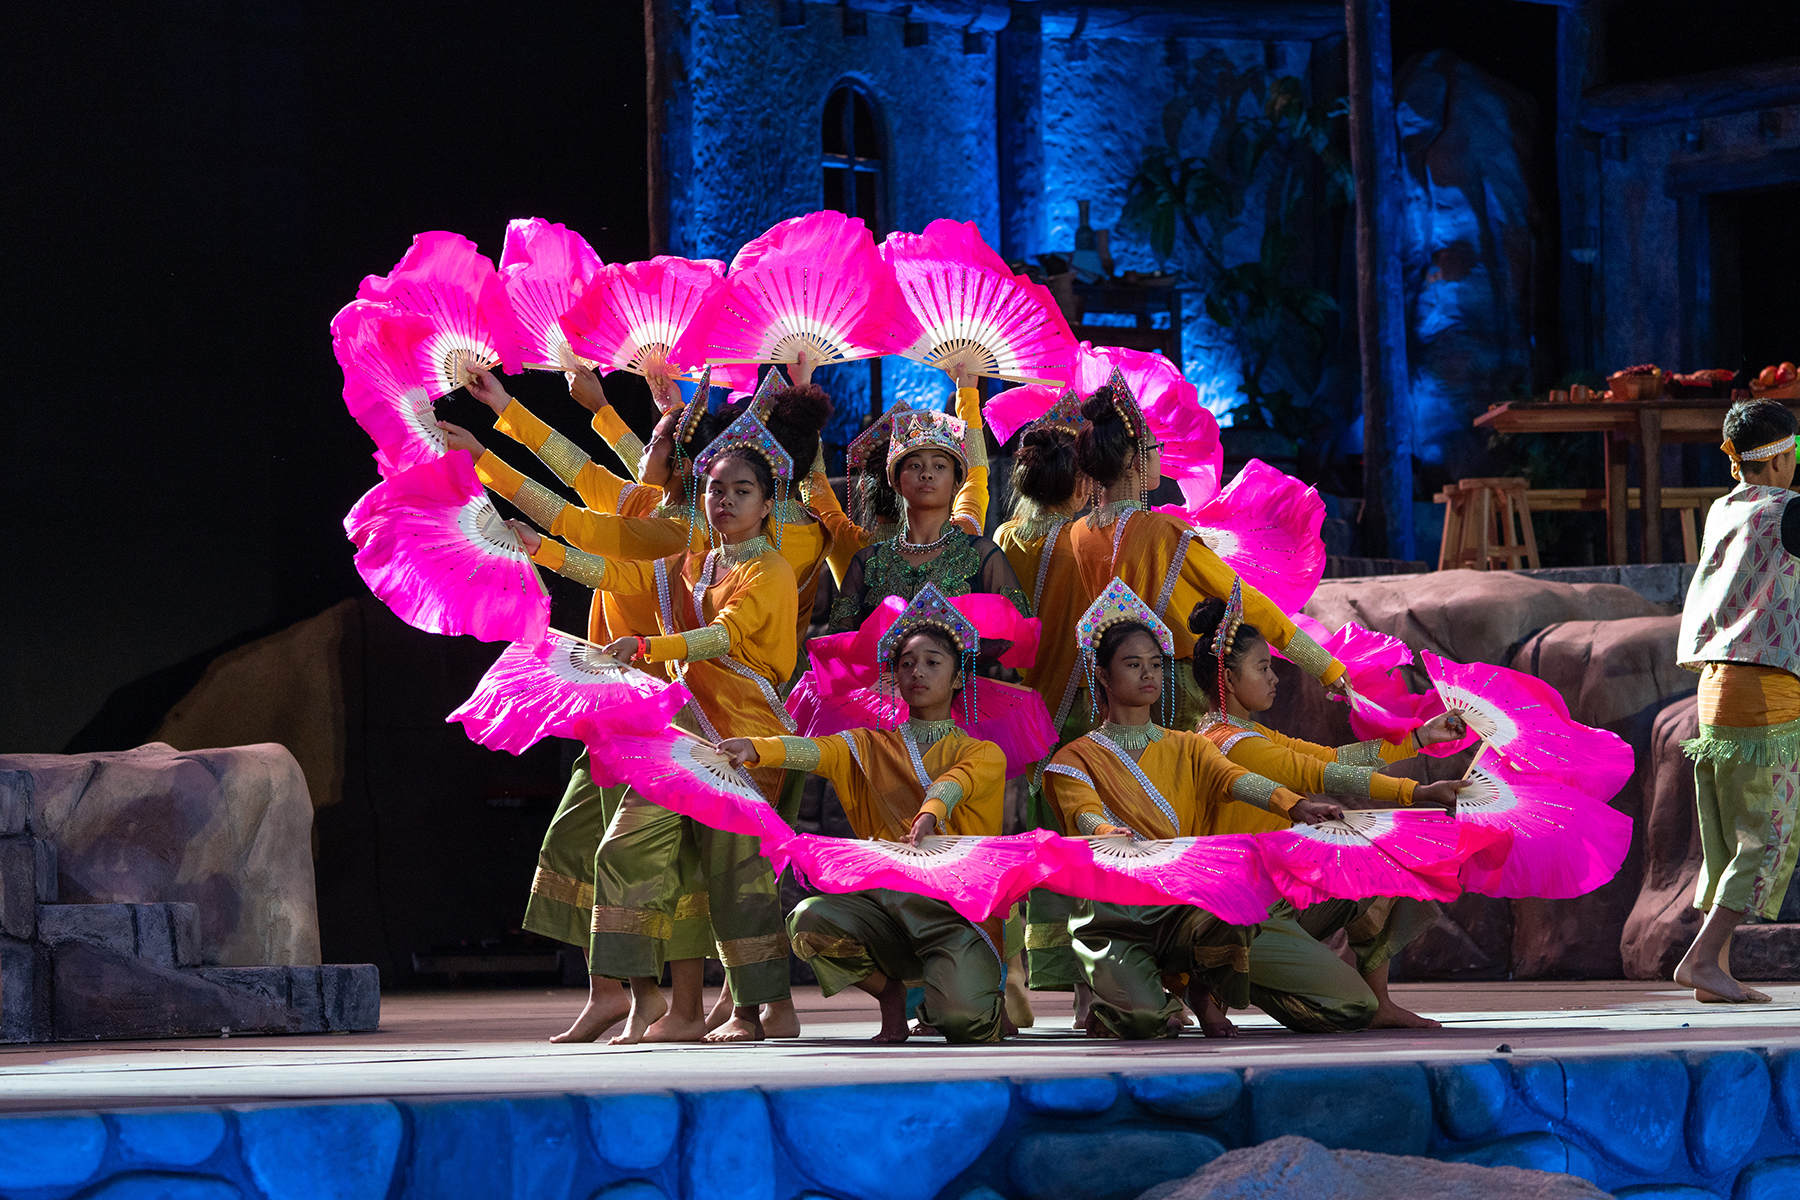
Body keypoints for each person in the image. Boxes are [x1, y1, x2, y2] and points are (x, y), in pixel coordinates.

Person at [464, 409, 802, 1043]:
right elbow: (614, 566)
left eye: (742, 491)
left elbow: (724, 636)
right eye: (717, 489)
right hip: (680, 733)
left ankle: (763, 1009)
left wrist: (647, 646)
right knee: (626, 850)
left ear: (767, 504)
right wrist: (543, 549)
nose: (725, 501)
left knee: (734, 876)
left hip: (741, 738)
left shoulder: (768, 569)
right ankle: (632, 993)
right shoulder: (694, 556)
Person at [440, 365, 727, 1042]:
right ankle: (616, 993)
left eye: (654, 441)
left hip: (658, 702)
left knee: (623, 851)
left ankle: (650, 998)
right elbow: (574, 466)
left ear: (678, 463)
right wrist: (504, 405)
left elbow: (577, 530)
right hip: (605, 695)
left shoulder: (679, 530)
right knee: (574, 840)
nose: (642, 447)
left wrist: (484, 459)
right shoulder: (639, 500)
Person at [1042, 581, 1345, 1040]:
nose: (1148, 674)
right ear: (1102, 676)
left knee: (1235, 892)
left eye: (1155, 664)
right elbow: (1081, 812)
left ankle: (1204, 987)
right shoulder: (1072, 760)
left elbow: (1236, 780)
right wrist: (1107, 829)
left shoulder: (1188, 746)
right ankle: (1134, 997)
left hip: (1184, 901)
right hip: (1117, 913)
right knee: (1145, 1023)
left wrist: (1294, 804)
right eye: (1132, 664)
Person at [717, 584, 1010, 1043]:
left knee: (963, 1025)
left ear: (957, 679)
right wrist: (755, 748)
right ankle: (890, 998)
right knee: (809, 919)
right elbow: (812, 751)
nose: (918, 672)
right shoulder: (866, 745)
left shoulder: (984, 752)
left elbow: (956, 781)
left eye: (933, 662)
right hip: (886, 909)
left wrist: (931, 813)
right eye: (907, 663)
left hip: (957, 914)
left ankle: (979, 996)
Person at [1189, 596, 1470, 1031]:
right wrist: (1418, 792)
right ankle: (1219, 974)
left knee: (1385, 864)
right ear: (1227, 676)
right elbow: (1319, 772)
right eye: (1262, 667)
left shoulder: (1249, 731)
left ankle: (1380, 1003)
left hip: (1280, 893)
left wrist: (1420, 736)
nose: (1274, 676)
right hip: (1243, 914)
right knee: (1346, 1009)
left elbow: (1328, 757)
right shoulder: (1229, 743)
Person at [1067, 372, 1345, 729]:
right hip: (1171, 689)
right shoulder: (1164, 531)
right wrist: (1323, 664)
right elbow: (1242, 598)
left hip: (1111, 689)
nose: (1160, 456)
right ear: (1133, 460)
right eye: (1155, 448)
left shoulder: (1077, 532)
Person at [1675, 398, 1800, 1004]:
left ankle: (1713, 969)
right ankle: (1701, 961)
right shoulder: (1789, 511)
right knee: (1769, 835)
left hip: (1714, 686)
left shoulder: (1722, 509)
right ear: (1781, 458)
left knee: (1725, 832)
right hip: (1764, 690)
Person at [992, 395, 1099, 1010]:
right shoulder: (1090, 537)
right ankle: (1089, 984)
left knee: (1017, 840)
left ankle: (1009, 984)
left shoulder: (1007, 535)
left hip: (1015, 712)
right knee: (1086, 836)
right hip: (1081, 707)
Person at [827, 405, 1029, 635]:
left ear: (957, 483)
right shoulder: (867, 562)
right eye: (915, 465)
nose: (927, 474)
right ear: (895, 480)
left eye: (940, 465)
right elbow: (842, 645)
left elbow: (1016, 633)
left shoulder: (981, 555)